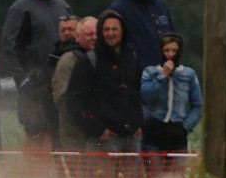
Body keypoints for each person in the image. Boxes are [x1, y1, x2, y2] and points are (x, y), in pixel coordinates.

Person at [1, 0, 72, 147]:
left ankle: (51, 176)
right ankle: (30, 175)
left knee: (55, 133)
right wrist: (22, 79)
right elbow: (9, 46)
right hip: (32, 84)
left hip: (56, 82)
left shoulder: (62, 6)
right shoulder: (20, 8)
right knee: (34, 131)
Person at [69, 9, 143, 156]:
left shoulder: (133, 57)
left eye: (114, 29)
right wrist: (96, 129)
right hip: (103, 140)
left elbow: (139, 92)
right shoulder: (89, 61)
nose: (111, 33)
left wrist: (140, 123)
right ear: (101, 33)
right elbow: (73, 100)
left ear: (122, 31)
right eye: (106, 29)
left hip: (132, 138)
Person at [140, 32, 202, 169]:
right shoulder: (150, 72)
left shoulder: (188, 74)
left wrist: (185, 127)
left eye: (174, 51)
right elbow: (145, 97)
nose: (170, 54)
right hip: (154, 133)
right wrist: (162, 76)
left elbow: (198, 105)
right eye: (166, 50)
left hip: (177, 134)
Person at [107, 0, 174, 69]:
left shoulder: (160, 6)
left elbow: (173, 39)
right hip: (137, 77)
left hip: (165, 73)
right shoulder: (118, 10)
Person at [51, 15, 97, 150]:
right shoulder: (68, 60)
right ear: (77, 36)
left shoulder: (105, 58)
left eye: (96, 33)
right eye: (89, 34)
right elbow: (61, 98)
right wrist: (86, 116)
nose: (94, 37)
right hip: (74, 132)